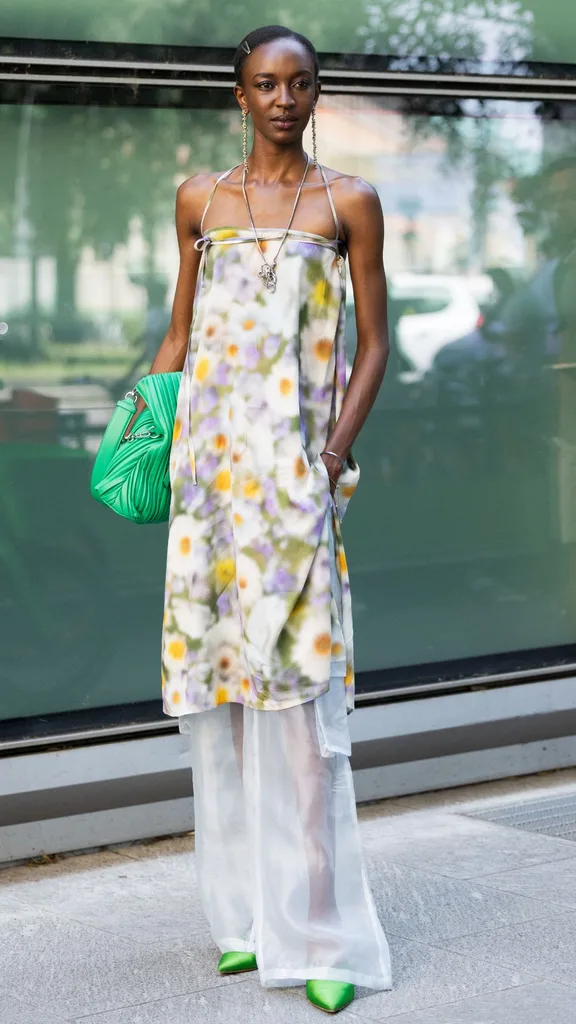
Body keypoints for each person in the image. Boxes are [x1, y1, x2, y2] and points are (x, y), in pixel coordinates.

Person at [148, 25, 392, 1014]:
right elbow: (179, 329)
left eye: (299, 83)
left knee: (302, 720)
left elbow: (377, 343)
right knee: (224, 701)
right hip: (207, 486)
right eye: (264, 83)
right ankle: (247, 919)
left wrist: (331, 457)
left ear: (318, 93)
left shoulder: (349, 204)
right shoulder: (200, 200)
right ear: (237, 96)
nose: (282, 98)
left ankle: (324, 927)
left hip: (293, 493)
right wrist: (139, 435)